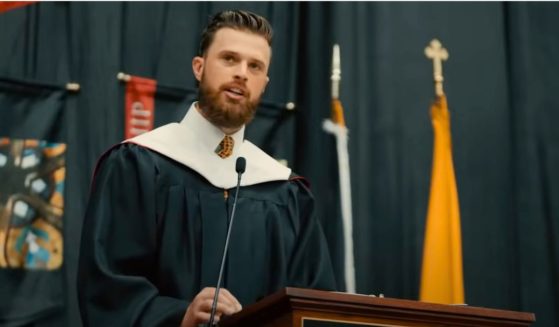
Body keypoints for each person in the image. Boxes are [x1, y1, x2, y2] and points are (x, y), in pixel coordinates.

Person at [77, 9, 337, 327]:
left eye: (255, 66)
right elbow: (108, 288)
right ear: (199, 68)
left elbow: (312, 307)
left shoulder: (285, 192)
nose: (242, 73)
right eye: (229, 59)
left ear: (264, 83)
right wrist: (178, 317)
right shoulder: (139, 164)